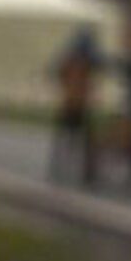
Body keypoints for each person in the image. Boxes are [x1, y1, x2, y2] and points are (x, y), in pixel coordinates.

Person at [49, 26, 103, 186]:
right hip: (73, 104)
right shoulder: (72, 59)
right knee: (69, 138)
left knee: (79, 139)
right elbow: (56, 72)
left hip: (79, 104)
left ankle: (85, 171)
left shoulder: (84, 58)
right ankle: (63, 168)